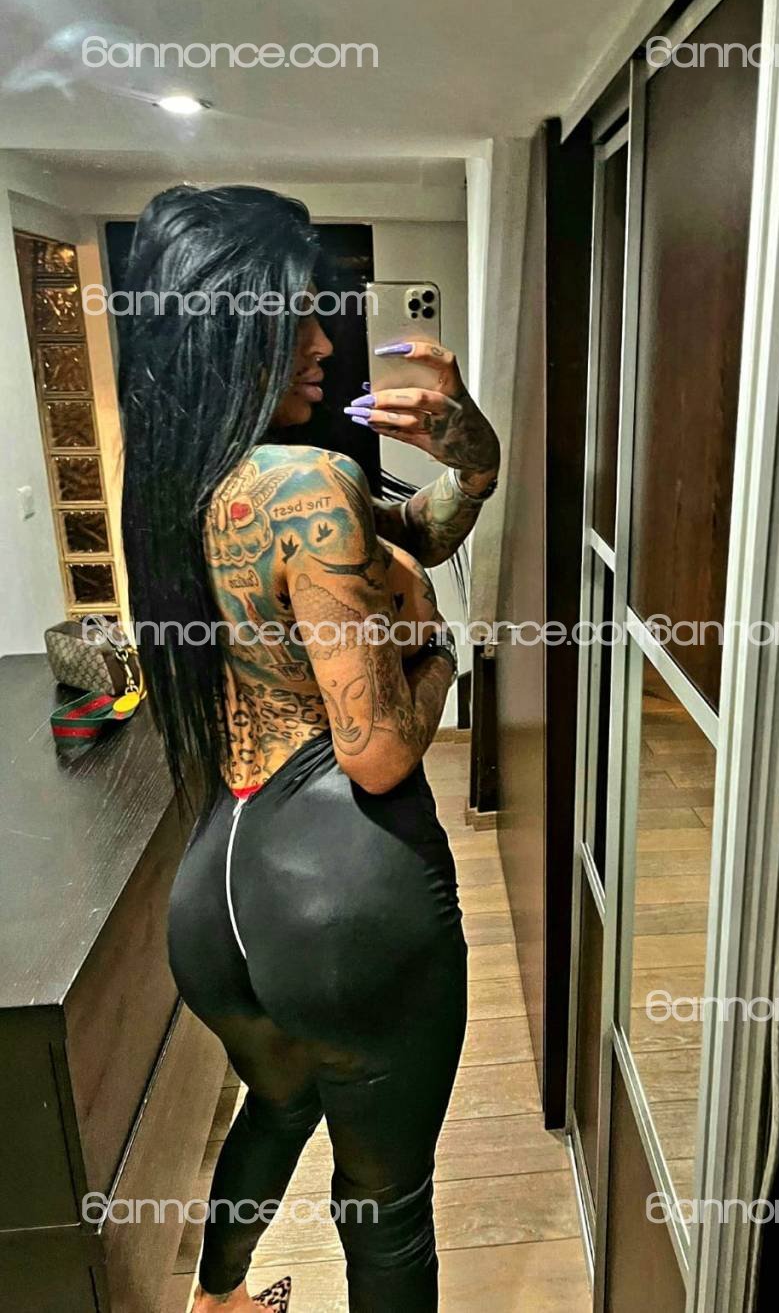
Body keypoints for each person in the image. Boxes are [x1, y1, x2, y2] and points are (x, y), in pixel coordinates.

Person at [116, 184, 500, 1312]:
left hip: (220, 890)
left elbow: (416, 527)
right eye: (297, 317)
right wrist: (441, 653)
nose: (326, 341)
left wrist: (472, 458)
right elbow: (375, 751)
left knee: (279, 1104)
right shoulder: (309, 480)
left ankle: (218, 1301)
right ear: (229, 328)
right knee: (388, 1210)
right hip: (341, 895)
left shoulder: (184, 482)